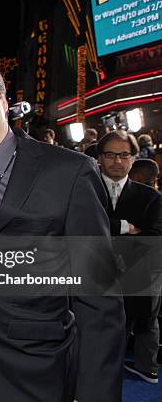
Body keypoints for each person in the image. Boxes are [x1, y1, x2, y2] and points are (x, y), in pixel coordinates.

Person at [0, 54, 125, 402]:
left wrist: (95, 392)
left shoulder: (70, 172)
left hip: (32, 369)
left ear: (3, 100)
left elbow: (100, 297)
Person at [97, 130, 162, 384]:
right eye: (110, 154)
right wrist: (124, 226)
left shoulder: (152, 198)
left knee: (143, 316)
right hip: (90, 267)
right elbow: (79, 229)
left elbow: (154, 236)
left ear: (134, 158)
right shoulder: (82, 189)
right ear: (99, 158)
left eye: (124, 155)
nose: (117, 161)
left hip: (137, 271)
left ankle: (145, 368)